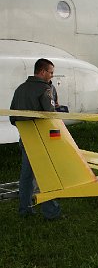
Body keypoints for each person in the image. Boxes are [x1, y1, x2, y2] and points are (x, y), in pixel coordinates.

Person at [10, 58, 62, 220]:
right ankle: (51, 213)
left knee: (27, 176)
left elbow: (13, 117)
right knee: (48, 175)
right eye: (51, 72)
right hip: (42, 139)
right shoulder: (46, 89)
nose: (52, 76)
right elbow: (50, 114)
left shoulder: (20, 89)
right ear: (42, 71)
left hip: (26, 138)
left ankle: (24, 209)